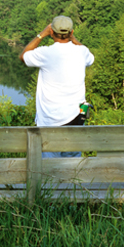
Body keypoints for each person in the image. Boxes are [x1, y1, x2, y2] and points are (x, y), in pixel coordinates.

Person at [19, 16, 94, 158]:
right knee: (73, 164)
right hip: (76, 119)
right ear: (71, 32)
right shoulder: (82, 52)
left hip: (49, 120)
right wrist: (72, 38)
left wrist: (41, 34)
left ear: (51, 32)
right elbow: (90, 57)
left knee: (49, 166)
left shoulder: (45, 53)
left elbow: (24, 56)